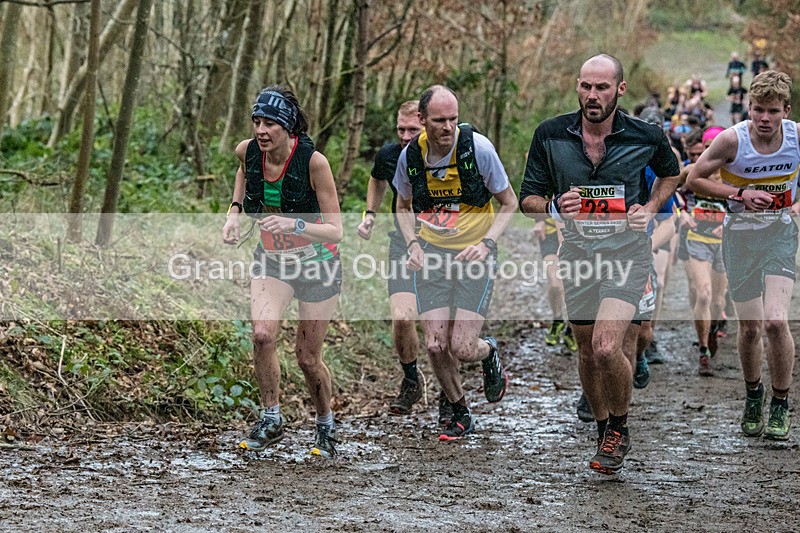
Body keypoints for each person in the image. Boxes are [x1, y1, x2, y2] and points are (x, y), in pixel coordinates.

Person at [520, 54, 680, 474]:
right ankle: (603, 426)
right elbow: (528, 199)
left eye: (602, 88)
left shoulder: (646, 135)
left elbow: (671, 174)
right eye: (586, 87)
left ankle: (620, 429)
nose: (593, 96)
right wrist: (555, 205)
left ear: (620, 90)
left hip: (626, 254)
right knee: (588, 352)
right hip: (576, 256)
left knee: (608, 346)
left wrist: (650, 207)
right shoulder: (550, 134)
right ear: (578, 86)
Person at [223, 86, 344, 457]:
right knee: (262, 334)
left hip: (317, 263)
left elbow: (336, 229)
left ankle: (325, 426)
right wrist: (233, 212)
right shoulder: (247, 151)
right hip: (272, 261)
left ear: (288, 128)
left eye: (270, 123)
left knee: (307, 358)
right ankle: (271, 418)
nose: (261, 130)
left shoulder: (313, 163)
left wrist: (294, 225)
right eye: (257, 121)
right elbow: (243, 174)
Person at [393, 85, 517, 441]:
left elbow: (509, 203)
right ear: (421, 120)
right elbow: (403, 207)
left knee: (462, 348)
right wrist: (413, 244)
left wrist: (486, 243)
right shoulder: (410, 158)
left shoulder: (478, 150)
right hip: (431, 254)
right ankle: (459, 411)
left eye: (453, 119)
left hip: (473, 255)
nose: (447, 127)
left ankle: (489, 351)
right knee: (434, 344)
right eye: (439, 120)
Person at [687, 70, 800, 441]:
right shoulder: (731, 141)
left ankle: (781, 401)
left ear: (785, 109)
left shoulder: (797, 137)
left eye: (771, 111)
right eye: (757, 111)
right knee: (750, 327)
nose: (764, 119)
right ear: (747, 109)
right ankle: (754, 395)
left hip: (779, 235)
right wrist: (738, 196)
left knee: (775, 322)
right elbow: (694, 179)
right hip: (739, 239)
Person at [356, 101, 452, 423]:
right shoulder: (389, 154)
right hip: (403, 241)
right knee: (401, 317)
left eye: (414, 130)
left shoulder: (448, 154)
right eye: (401, 130)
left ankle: (449, 394)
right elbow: (377, 179)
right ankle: (411, 379)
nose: (406, 136)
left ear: (426, 126)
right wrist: (370, 214)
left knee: (441, 330)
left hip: (443, 244)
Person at [680, 126, 729, 376]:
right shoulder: (691, 172)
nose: (710, 153)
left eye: (715, 148)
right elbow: (670, 190)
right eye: (707, 148)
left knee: (719, 300)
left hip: (723, 244)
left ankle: (711, 330)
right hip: (697, 239)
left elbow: (749, 204)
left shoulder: (734, 175)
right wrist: (681, 214)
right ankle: (703, 350)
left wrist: (729, 225)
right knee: (703, 295)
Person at [533, 217, 578, 352]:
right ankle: (557, 319)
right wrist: (538, 220)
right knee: (555, 284)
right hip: (551, 234)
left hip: (577, 234)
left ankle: (571, 330)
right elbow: (539, 197)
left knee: (575, 285)